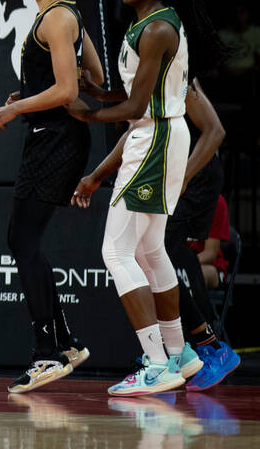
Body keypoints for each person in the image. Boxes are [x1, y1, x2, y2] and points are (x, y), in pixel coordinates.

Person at [68, 0, 227, 396]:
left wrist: (89, 114)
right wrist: (95, 91)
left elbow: (137, 109)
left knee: (117, 253)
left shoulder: (158, 29)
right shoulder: (153, 24)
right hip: (157, 137)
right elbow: (135, 92)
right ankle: (180, 353)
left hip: (154, 140)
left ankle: (156, 363)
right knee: (152, 249)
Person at [0, 0, 105, 393]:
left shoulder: (57, 18)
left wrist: (20, 106)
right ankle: (66, 344)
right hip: (55, 135)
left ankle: (48, 353)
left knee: (22, 240)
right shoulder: (62, 15)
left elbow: (69, 87)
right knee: (23, 240)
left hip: (55, 139)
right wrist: (31, 95)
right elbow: (93, 73)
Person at [80, 78, 239, 390]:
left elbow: (215, 131)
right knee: (151, 252)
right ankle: (183, 352)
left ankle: (207, 345)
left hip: (189, 171)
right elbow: (133, 132)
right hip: (166, 163)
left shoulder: (172, 61)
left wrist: (183, 179)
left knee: (157, 251)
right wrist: (100, 95)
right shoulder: (147, 68)